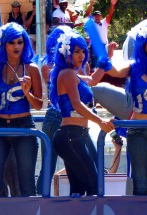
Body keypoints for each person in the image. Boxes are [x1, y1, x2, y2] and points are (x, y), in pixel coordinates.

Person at [97, 24, 147, 195]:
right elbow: (116, 71)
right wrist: (105, 57)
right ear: (143, 44)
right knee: (140, 184)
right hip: (139, 129)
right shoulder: (134, 65)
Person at [0, 19, 43, 197]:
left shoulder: (31, 69)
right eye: (12, 42)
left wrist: (27, 93)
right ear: (4, 44)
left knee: (27, 186)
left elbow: (39, 105)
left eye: (20, 41)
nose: (17, 46)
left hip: (23, 127)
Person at [49, 30, 115, 196]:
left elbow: (93, 80)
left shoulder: (73, 74)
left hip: (76, 135)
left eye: (83, 51)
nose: (81, 55)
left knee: (79, 190)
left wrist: (107, 57)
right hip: (71, 135)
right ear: (66, 52)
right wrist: (100, 121)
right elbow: (77, 104)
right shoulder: (68, 74)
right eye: (76, 51)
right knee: (94, 187)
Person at [36, 26, 95, 195]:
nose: (80, 54)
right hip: (58, 115)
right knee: (48, 165)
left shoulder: (83, 65)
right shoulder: (49, 66)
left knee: (84, 165)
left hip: (79, 120)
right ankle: (42, 204)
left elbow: (90, 83)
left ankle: (75, 200)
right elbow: (69, 93)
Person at [90, 0, 118, 72]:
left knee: (106, 62)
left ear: (101, 16)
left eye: (98, 16)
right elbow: (86, 16)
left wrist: (112, 5)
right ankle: (95, 80)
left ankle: (107, 77)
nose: (97, 17)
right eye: (95, 16)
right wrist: (91, 4)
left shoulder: (104, 22)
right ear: (93, 17)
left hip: (104, 45)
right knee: (95, 65)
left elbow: (110, 14)